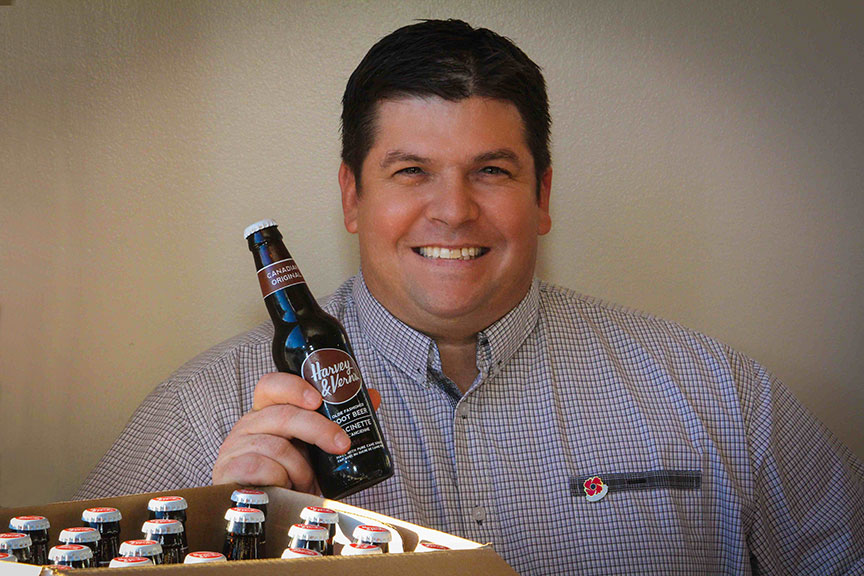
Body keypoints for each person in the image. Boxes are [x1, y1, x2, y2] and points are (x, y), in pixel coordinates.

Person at [76, 19, 863, 575]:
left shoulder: (716, 392)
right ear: (352, 197)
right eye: (411, 171)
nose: (453, 210)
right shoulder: (202, 418)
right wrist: (227, 542)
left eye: (491, 170)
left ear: (542, 194)